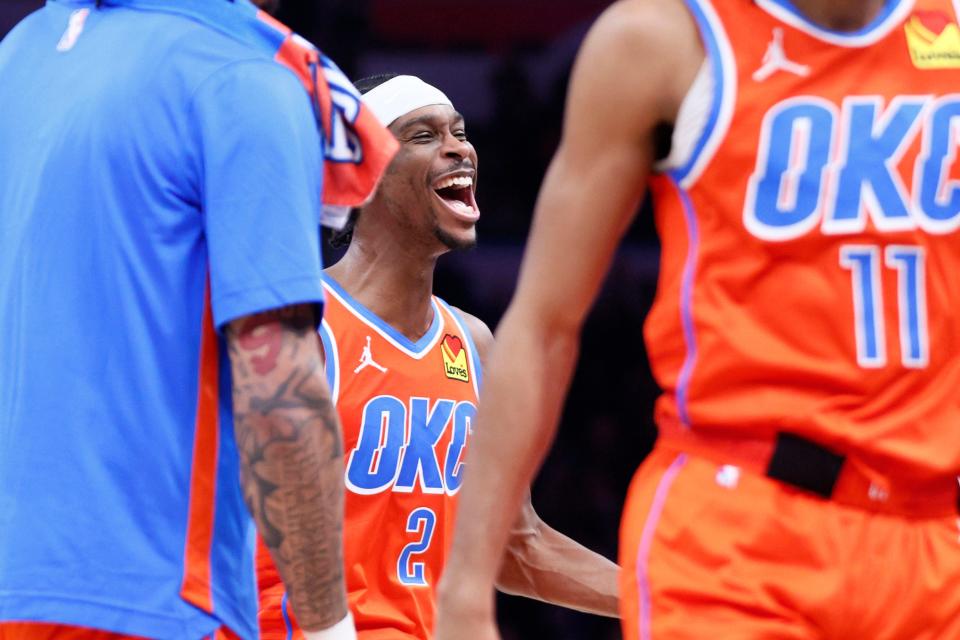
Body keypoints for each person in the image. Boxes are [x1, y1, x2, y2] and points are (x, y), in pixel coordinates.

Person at [435, 0, 960, 638]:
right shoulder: (662, 39)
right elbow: (544, 324)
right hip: (739, 530)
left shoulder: (945, 34)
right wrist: (464, 590)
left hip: (932, 531)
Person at [0, 1, 396, 638]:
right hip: (159, 599)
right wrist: (327, 627)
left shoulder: (20, 55)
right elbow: (278, 388)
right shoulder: (244, 77)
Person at [256, 74, 620, 640]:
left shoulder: (472, 342)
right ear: (362, 174)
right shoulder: (297, 324)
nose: (459, 148)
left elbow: (514, 547)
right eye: (423, 135)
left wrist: (667, 603)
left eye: (460, 132)